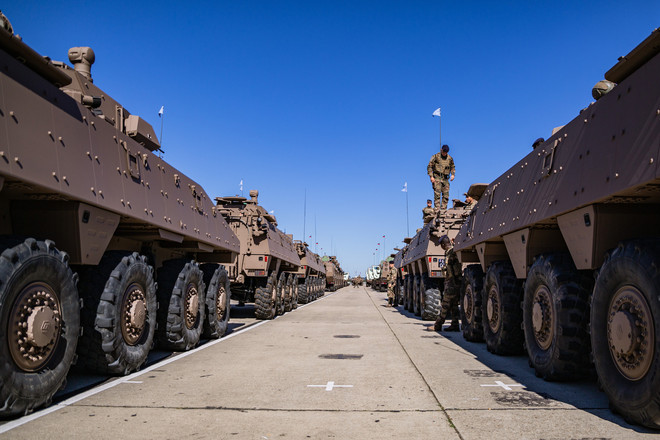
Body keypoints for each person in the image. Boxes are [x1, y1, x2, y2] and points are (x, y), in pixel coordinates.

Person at [434, 235, 462, 331]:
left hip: (451, 282)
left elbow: (454, 269)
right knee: (454, 304)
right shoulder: (451, 251)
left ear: (443, 244)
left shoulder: (451, 253)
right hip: (454, 281)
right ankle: (455, 324)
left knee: (445, 304)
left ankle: (438, 324)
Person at [427, 144, 455, 210]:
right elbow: (429, 166)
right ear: (441, 150)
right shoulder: (436, 157)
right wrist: (431, 176)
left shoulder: (450, 158)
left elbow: (452, 167)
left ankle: (443, 209)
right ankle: (437, 209)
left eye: (446, 152)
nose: (444, 154)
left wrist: (453, 174)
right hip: (437, 177)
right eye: (443, 152)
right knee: (437, 194)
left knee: (446, 195)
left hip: (445, 178)